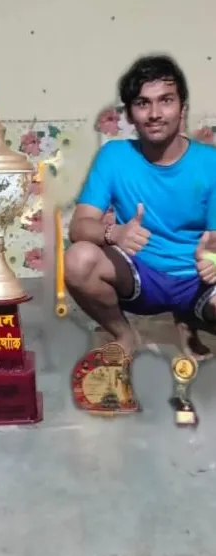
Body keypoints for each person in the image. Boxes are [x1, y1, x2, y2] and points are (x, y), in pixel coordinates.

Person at [65, 54, 216, 360]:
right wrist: (115, 232)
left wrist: (212, 258)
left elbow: (214, 240)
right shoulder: (114, 157)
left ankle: (190, 320)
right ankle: (124, 334)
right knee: (78, 259)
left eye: (166, 101)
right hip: (139, 277)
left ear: (182, 109)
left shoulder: (210, 162)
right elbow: (79, 226)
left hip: (197, 280)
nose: (155, 113)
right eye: (143, 103)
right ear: (130, 116)